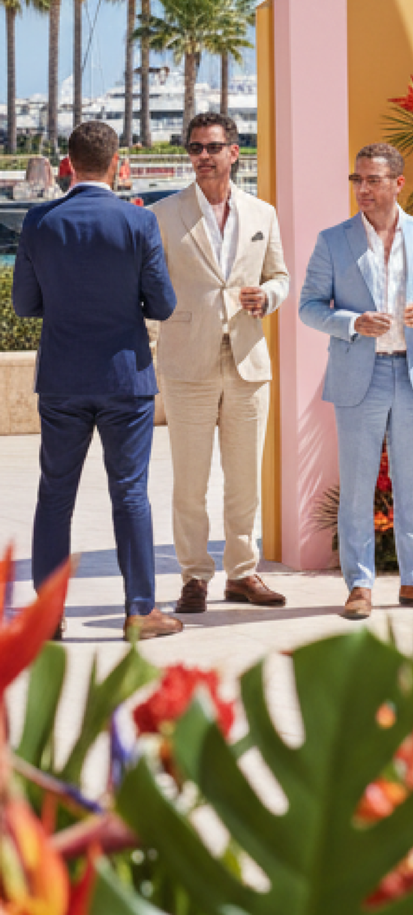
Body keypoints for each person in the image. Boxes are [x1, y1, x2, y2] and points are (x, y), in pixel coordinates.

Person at [13, 120, 180, 640]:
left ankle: (48, 615)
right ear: (117, 163)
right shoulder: (138, 222)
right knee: (130, 493)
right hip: (125, 378)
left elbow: (23, 304)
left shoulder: (39, 221)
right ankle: (139, 610)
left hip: (62, 376)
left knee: (54, 494)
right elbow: (164, 304)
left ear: (68, 163)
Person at [297, 142, 413, 620]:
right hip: (358, 377)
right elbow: (309, 306)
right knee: (357, 486)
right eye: (357, 180)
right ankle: (360, 586)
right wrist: (350, 323)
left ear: (397, 184)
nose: (362, 189)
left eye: (372, 180)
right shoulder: (333, 240)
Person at [150, 112, 291, 614]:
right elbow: (148, 286)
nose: (202, 157)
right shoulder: (162, 215)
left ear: (234, 152)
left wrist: (268, 297)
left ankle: (243, 573)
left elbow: (280, 275)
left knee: (244, 477)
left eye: (211, 147)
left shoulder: (263, 214)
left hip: (249, 361)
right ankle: (193, 576)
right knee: (189, 480)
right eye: (194, 149)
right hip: (187, 363)